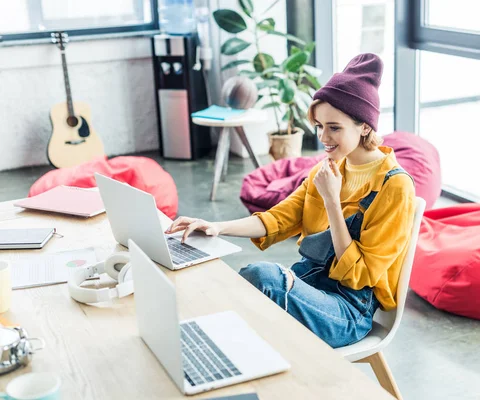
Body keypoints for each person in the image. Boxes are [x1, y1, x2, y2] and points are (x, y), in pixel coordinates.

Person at [166, 53, 416, 348]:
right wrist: (216, 227)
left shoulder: (395, 187)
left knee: (264, 279)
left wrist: (332, 202)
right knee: (241, 293)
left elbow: (360, 275)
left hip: (349, 311)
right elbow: (276, 219)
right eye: (319, 126)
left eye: (334, 127)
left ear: (364, 127)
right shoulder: (328, 170)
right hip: (308, 287)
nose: (324, 137)